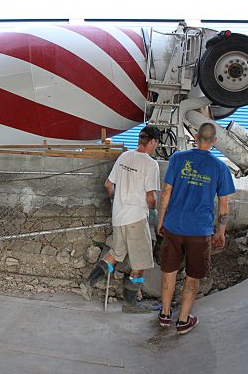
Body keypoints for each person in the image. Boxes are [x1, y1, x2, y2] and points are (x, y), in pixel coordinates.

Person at [157, 122, 235, 334]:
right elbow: (224, 204)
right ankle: (183, 321)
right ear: (215, 141)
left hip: (174, 226)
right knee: (193, 275)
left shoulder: (178, 159)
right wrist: (221, 232)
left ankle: (164, 314)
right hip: (200, 232)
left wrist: (161, 219)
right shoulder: (220, 168)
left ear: (195, 136)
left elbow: (166, 192)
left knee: (169, 270)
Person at [80, 125, 161, 313]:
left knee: (116, 254)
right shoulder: (150, 164)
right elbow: (151, 196)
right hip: (136, 218)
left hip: (119, 217)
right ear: (153, 142)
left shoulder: (124, 157)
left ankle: (89, 283)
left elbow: (109, 185)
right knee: (140, 263)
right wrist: (154, 211)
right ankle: (130, 303)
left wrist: (115, 201)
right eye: (156, 143)